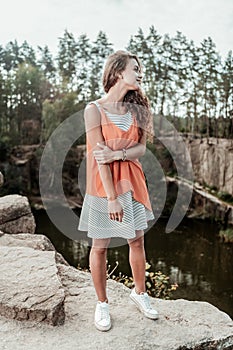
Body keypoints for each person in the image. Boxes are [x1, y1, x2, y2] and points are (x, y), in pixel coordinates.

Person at [78, 50, 158, 331]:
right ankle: (102, 304)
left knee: (136, 241)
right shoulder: (94, 110)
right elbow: (97, 156)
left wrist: (118, 155)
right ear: (117, 72)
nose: (140, 73)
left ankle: (140, 294)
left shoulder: (137, 110)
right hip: (104, 186)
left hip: (133, 182)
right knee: (99, 247)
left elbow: (141, 149)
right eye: (135, 68)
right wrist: (111, 198)